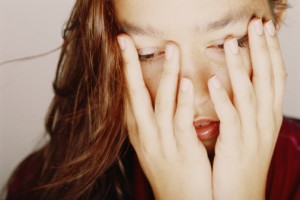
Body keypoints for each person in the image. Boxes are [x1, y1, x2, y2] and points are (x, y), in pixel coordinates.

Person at [4, 0, 299, 199]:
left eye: (226, 44)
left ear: (278, 14)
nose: (194, 93)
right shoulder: (46, 183)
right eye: (149, 54)